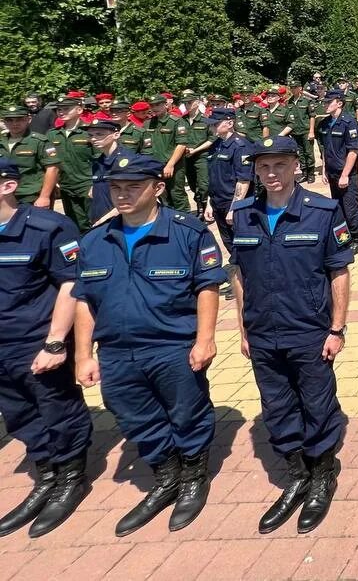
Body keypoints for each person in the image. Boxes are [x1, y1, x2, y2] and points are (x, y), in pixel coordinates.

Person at [72, 153, 226, 536]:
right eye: (116, 188)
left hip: (171, 345)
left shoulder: (187, 232)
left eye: (133, 187)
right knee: (134, 416)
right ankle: (165, 475)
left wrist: (205, 339)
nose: (122, 195)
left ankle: (193, 477)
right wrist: (82, 355)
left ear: (157, 188)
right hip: (117, 351)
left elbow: (206, 287)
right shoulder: (95, 240)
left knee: (186, 412)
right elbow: (84, 301)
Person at [229, 136, 352, 534]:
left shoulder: (322, 211)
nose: (271, 174)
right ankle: (296, 473)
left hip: (309, 331)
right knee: (277, 406)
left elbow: (338, 272)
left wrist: (337, 328)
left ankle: (321, 475)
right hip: (263, 333)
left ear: (296, 166)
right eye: (263, 167)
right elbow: (240, 274)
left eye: (279, 165)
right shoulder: (244, 214)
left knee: (317, 404)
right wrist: (243, 327)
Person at [0, 159, 93, 538]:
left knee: (58, 409)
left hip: (35, 339)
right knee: (18, 413)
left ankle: (71, 476)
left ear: (7, 186)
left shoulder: (46, 227)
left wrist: (56, 341)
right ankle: (46, 475)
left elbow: (71, 284)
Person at [316, 90, 358, 253]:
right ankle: (344, 239)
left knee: (350, 208)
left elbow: (353, 151)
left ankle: (357, 240)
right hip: (332, 173)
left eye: (329, 102)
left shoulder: (349, 122)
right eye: (324, 102)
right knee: (338, 209)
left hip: (347, 174)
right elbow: (324, 149)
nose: (325, 105)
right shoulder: (323, 124)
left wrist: (345, 175)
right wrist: (324, 170)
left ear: (339, 103)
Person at [201, 108, 253, 246]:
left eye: (215, 124)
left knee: (242, 242)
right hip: (218, 202)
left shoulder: (240, 146)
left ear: (230, 124)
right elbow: (213, 177)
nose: (211, 127)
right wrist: (209, 204)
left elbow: (243, 180)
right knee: (228, 241)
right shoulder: (216, 145)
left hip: (233, 203)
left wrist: (234, 208)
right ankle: (237, 266)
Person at [46, 96, 94, 232]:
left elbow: (100, 159)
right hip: (66, 186)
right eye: (59, 109)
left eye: (66, 109)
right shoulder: (52, 135)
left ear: (79, 110)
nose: (61, 112)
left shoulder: (90, 131)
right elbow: (50, 161)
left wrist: (97, 183)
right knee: (74, 223)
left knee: (95, 222)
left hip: (87, 184)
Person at [2, 103, 59, 209]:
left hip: (31, 196)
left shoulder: (40, 141)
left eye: (19, 119)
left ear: (28, 119)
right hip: (5, 195)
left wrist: (44, 197)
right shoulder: (1, 141)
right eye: (9, 120)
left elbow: (53, 169)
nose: (14, 123)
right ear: (4, 121)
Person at [146, 96, 191, 210]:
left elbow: (181, 144)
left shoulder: (176, 121)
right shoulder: (148, 124)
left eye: (158, 105)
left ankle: (185, 222)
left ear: (166, 105)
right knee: (162, 195)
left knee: (177, 195)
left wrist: (170, 164)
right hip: (155, 166)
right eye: (152, 105)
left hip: (174, 165)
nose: (155, 108)